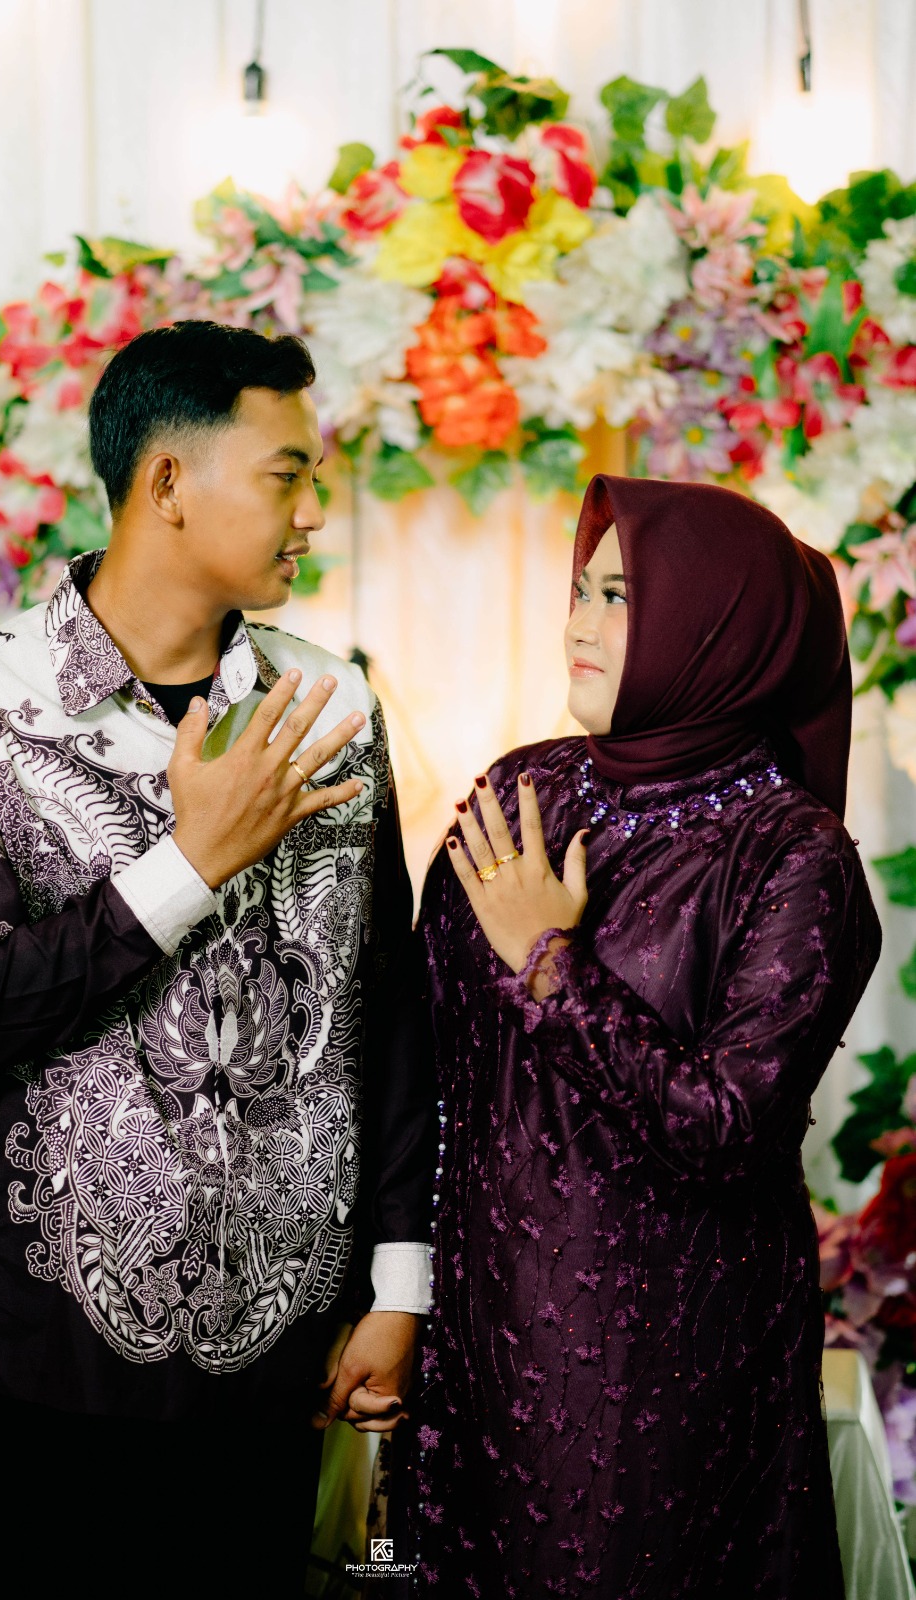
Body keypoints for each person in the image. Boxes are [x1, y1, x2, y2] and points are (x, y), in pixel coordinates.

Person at [0, 320, 435, 1599]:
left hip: (293, 1348)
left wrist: (403, 1284)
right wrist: (191, 862)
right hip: (60, 1358)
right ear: (169, 481)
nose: (313, 511)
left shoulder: (331, 710)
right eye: (288, 474)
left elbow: (388, 1012)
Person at [391, 474, 880, 1597]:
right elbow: (422, 1059)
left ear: (719, 625)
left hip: (661, 1369)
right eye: (582, 589)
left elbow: (727, 1129)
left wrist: (550, 963)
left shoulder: (791, 854)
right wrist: (393, 1289)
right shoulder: (523, 789)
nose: (577, 622)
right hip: (475, 1338)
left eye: (620, 596)